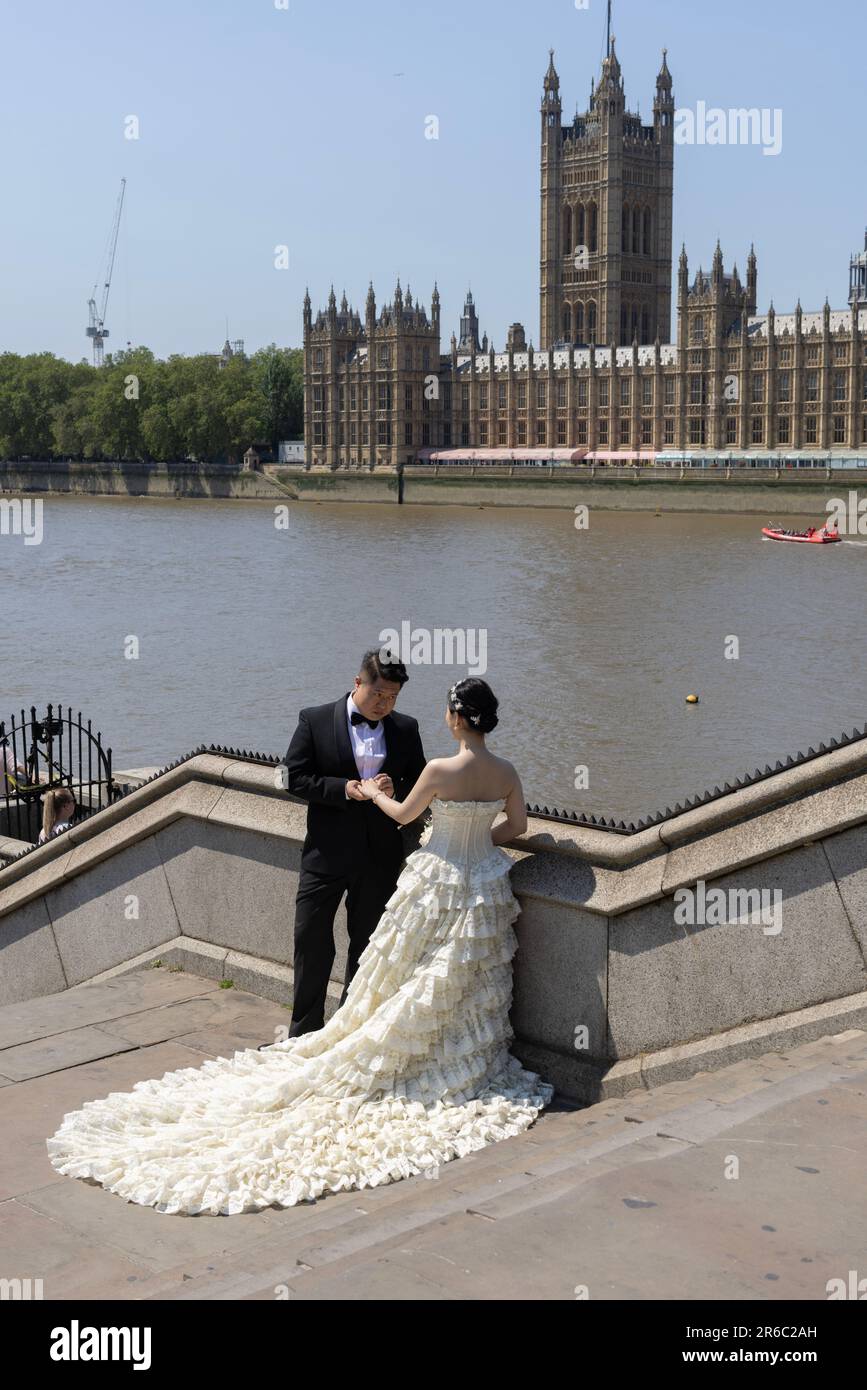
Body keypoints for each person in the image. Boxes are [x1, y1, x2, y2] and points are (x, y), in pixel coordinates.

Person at [45, 677, 554, 1215]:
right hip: (484, 884)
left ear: (455, 718)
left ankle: (383, 1046)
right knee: (464, 976)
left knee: (410, 971)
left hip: (437, 878)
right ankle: (458, 1060)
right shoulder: (507, 772)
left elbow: (405, 816)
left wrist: (379, 793)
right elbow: (517, 825)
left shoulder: (440, 771)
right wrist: (477, 844)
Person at [276, 647, 427, 1038]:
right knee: (310, 940)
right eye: (378, 695)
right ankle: (304, 1032)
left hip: (379, 856)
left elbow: (421, 784)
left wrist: (397, 786)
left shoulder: (406, 729)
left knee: (367, 943)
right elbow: (293, 777)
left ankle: (348, 1030)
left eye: (392, 697)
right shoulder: (314, 719)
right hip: (324, 854)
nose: (384, 704)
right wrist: (343, 788)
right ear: (357, 682)